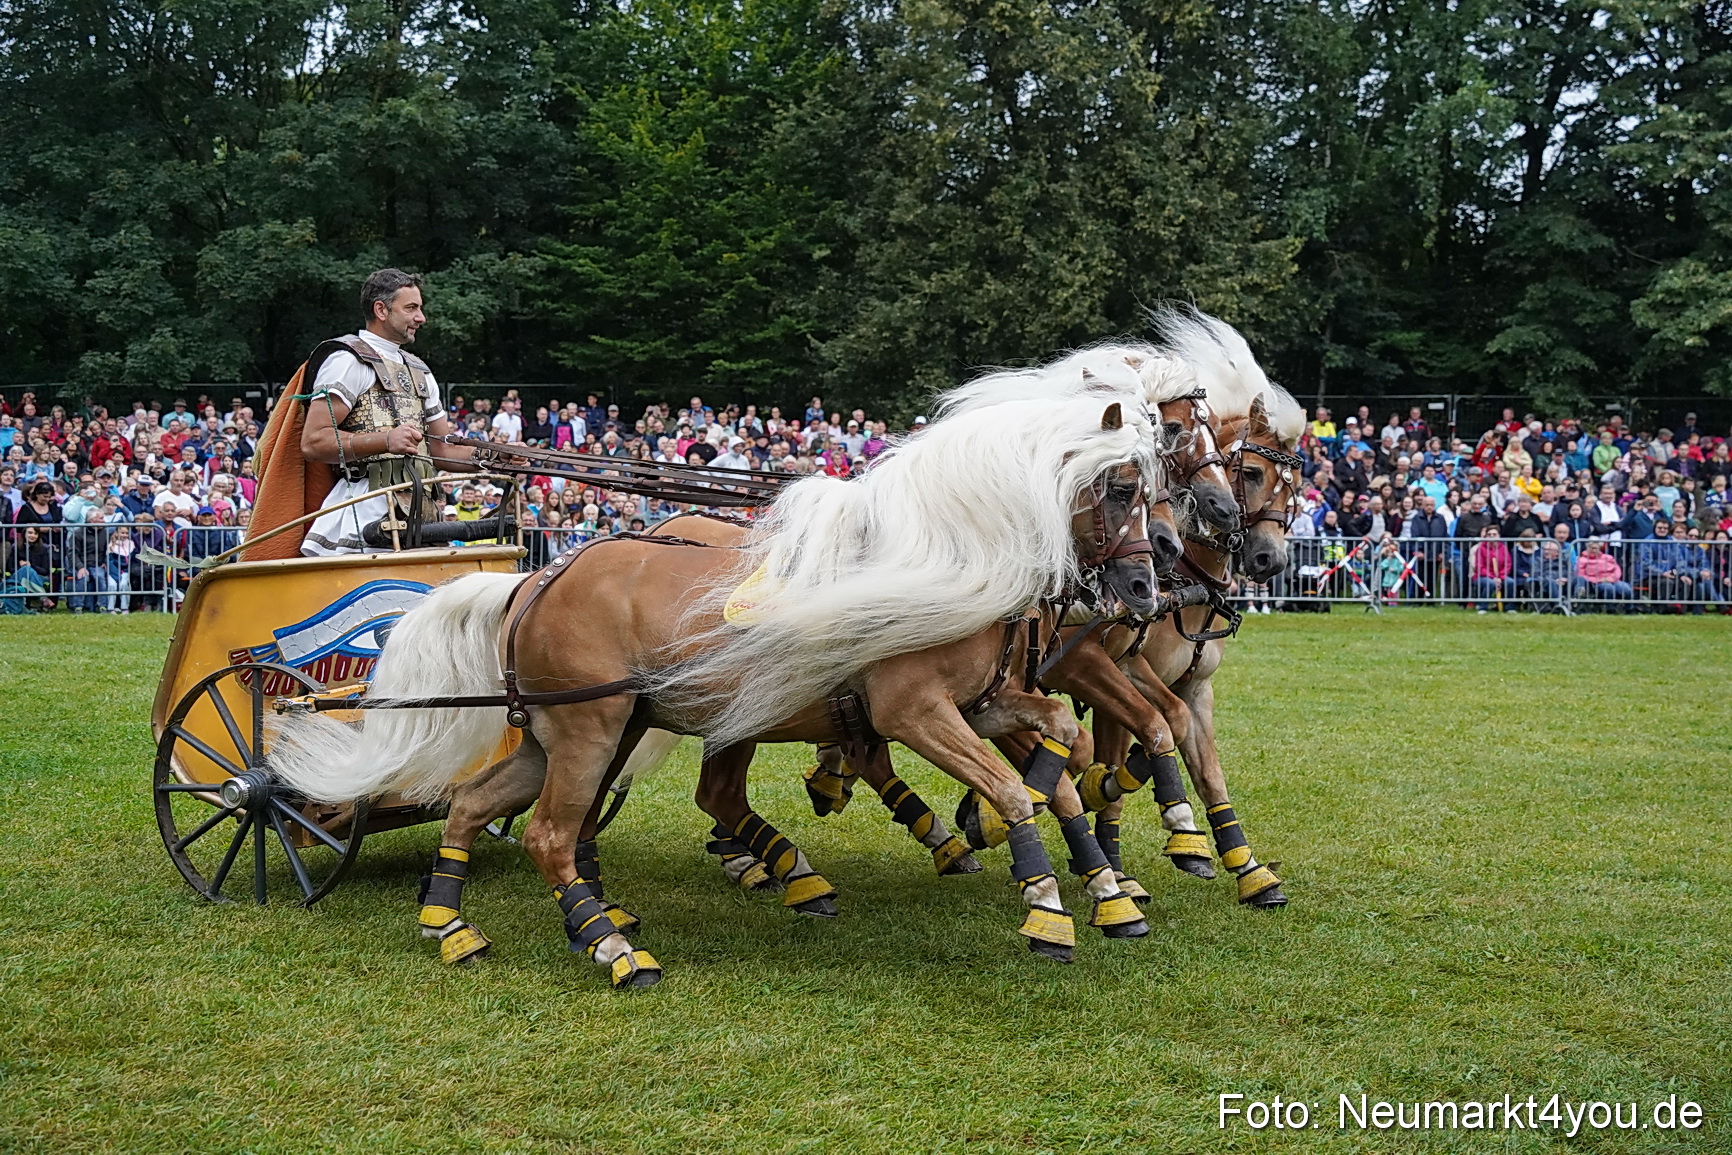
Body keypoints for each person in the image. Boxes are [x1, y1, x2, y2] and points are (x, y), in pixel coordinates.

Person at [298, 269, 476, 554]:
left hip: (423, 513)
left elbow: (443, 451)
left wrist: (494, 457)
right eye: (411, 308)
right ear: (380, 309)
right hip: (362, 514)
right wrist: (385, 440)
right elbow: (313, 441)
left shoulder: (420, 371)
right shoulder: (347, 361)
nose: (421, 318)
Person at [1575, 538, 1633, 612]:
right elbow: (1581, 575)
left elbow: (1617, 570)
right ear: (1587, 548)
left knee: (1625, 588)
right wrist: (1598, 580)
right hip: (1595, 583)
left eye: (1596, 548)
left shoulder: (1608, 557)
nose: (1594, 550)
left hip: (1612, 580)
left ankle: (1629, 608)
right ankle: (1610, 609)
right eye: (1592, 548)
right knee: (1608, 588)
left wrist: (1611, 578)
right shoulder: (1582, 560)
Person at [1468, 525, 1513, 613]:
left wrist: (1501, 577)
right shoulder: (1481, 548)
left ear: (1499, 536)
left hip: (1500, 576)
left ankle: (1510, 607)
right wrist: (1493, 577)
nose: (1492, 536)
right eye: (1489, 534)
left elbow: (1508, 564)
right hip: (1483, 576)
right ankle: (1483, 607)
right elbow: (1479, 567)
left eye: (1494, 534)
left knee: (1510, 582)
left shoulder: (1503, 548)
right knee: (1490, 583)